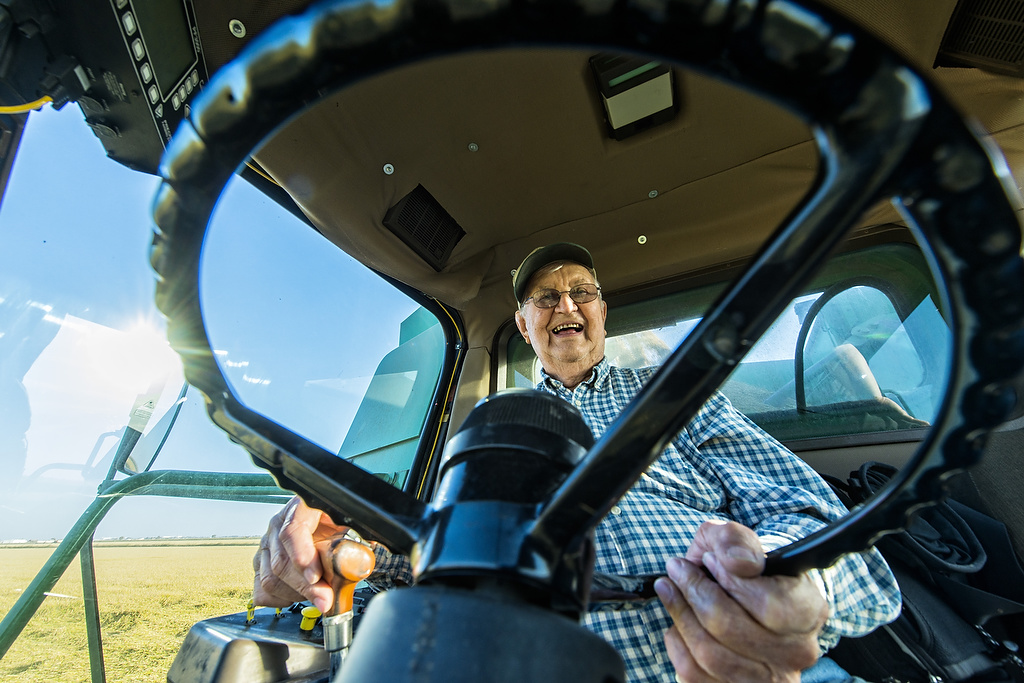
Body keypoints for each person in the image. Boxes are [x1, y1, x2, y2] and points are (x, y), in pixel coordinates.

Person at [254, 243, 901, 682]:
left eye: (580, 292)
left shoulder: (673, 393)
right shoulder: (488, 425)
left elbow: (831, 534)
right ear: (523, 322)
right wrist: (328, 564)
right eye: (545, 297)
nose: (565, 305)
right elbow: (426, 558)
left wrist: (786, 586)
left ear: (601, 310)